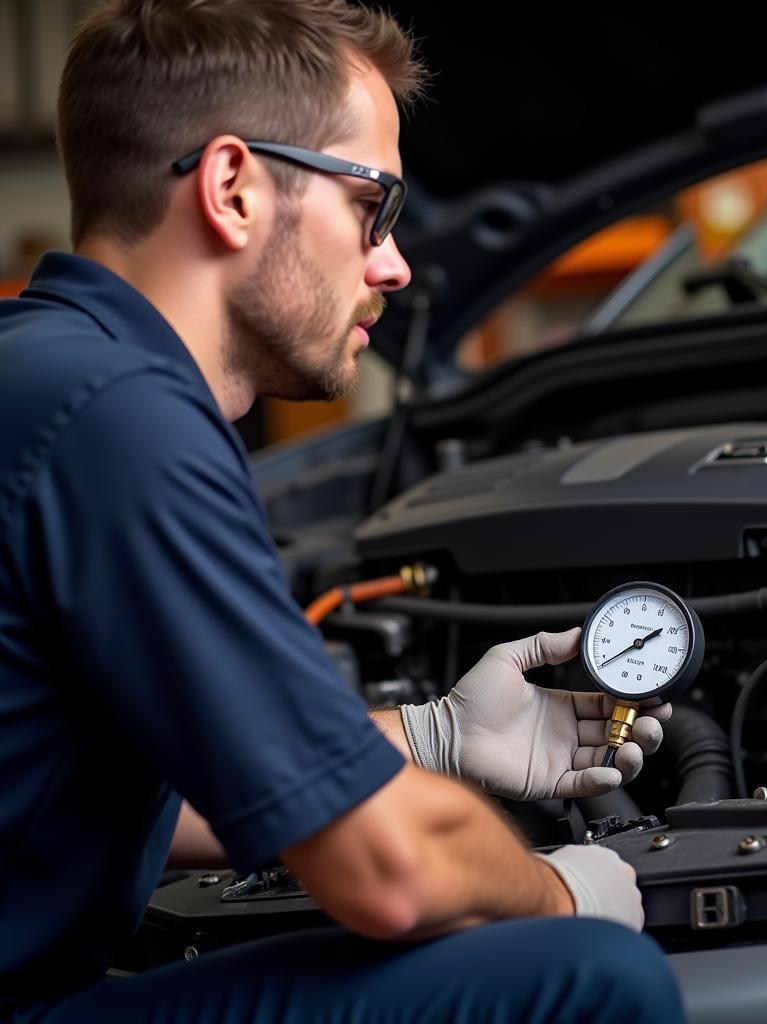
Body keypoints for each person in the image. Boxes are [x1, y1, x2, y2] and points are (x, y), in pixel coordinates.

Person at [0, 2, 684, 1021]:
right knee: (589, 979)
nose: (395, 264)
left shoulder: (47, 371)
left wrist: (431, 734)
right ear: (232, 188)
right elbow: (390, 871)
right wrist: (562, 891)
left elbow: (110, 797)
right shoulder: (120, 416)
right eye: (375, 204)